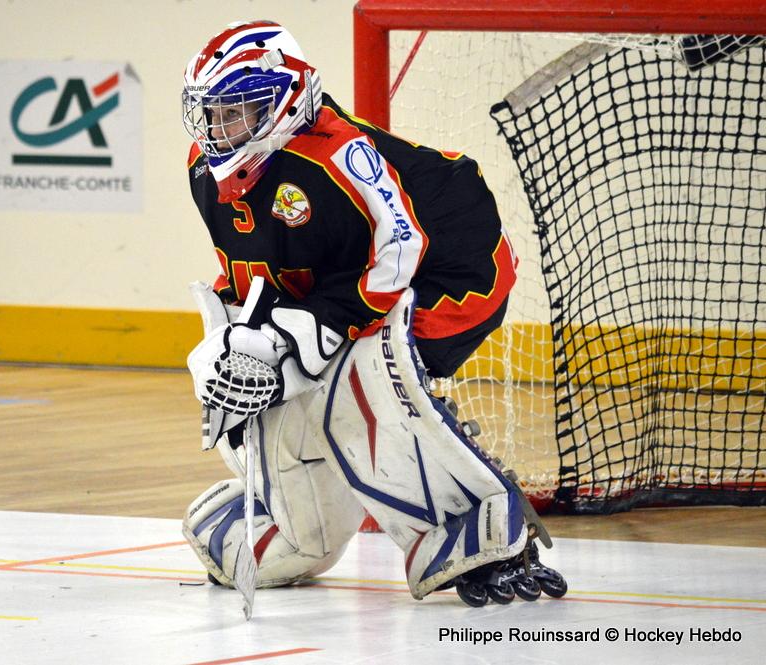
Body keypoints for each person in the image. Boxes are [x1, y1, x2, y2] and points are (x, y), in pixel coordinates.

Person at [180, 20, 565, 607]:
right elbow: (252, 269)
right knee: (275, 390)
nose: (218, 128)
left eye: (235, 111)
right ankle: (292, 526)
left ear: (283, 99)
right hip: (347, 273)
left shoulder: (339, 154)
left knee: (362, 380)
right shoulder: (204, 170)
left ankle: (479, 528)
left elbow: (400, 252)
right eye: (212, 112)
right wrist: (240, 341)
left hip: (454, 270)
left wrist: (319, 329)